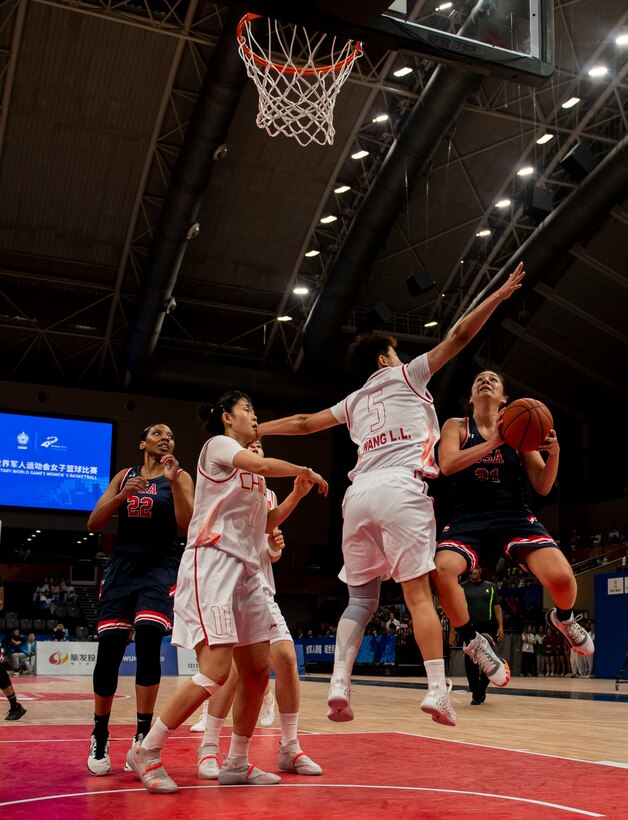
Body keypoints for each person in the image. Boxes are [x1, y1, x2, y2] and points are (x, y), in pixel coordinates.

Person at [258, 263, 526, 728]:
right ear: (384, 359)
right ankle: (439, 691)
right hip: (401, 489)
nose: (401, 358)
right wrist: (497, 296)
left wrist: (256, 429)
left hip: (357, 495)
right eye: (395, 354)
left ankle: (340, 682)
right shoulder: (408, 376)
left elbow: (303, 423)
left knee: (360, 602)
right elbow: (460, 336)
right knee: (418, 596)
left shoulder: (354, 400)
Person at [126, 391, 327, 794]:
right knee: (217, 670)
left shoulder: (256, 475)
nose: (254, 416)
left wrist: (296, 495)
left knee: (255, 672)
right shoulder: (218, 446)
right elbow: (262, 461)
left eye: (255, 410)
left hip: (249, 571)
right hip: (213, 562)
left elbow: (265, 522)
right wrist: (303, 468)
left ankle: (237, 761)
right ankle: (146, 750)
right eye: (248, 409)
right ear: (226, 416)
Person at [431, 369, 594, 681]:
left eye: (493, 379)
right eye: (479, 378)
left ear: (504, 397)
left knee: (562, 578)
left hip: (513, 515)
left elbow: (543, 486)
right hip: (469, 518)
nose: (486, 380)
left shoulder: (519, 429)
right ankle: (473, 642)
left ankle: (564, 618)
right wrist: (493, 442)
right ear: (471, 397)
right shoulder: (456, 425)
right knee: (442, 571)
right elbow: (448, 464)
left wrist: (555, 454)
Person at [190, 439, 322, 778]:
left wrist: (276, 548)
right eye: (250, 444)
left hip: (259, 589)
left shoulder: (266, 492)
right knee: (232, 674)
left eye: (260, 444)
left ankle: (289, 747)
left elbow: (265, 540)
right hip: (222, 584)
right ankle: (208, 748)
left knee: (288, 660)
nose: (257, 447)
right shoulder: (223, 479)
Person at [86, 423, 195, 777]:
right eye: (158, 433)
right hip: (122, 568)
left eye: (170, 434)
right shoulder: (124, 475)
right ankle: (100, 734)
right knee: (110, 650)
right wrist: (121, 495)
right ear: (142, 442)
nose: (166, 437)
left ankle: (143, 737)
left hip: (159, 567)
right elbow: (93, 523)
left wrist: (175, 481)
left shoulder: (179, 476)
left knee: (148, 639)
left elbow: (188, 523)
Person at [457, 567, 503, 703]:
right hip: (468, 628)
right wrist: (453, 631)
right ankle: (476, 693)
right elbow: (455, 608)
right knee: (470, 663)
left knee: (490, 661)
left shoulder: (490, 586)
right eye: (471, 569)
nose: (473, 571)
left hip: (488, 627)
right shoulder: (461, 587)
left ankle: (482, 688)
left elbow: (496, 607)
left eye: (476, 569)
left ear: (481, 570)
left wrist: (500, 626)